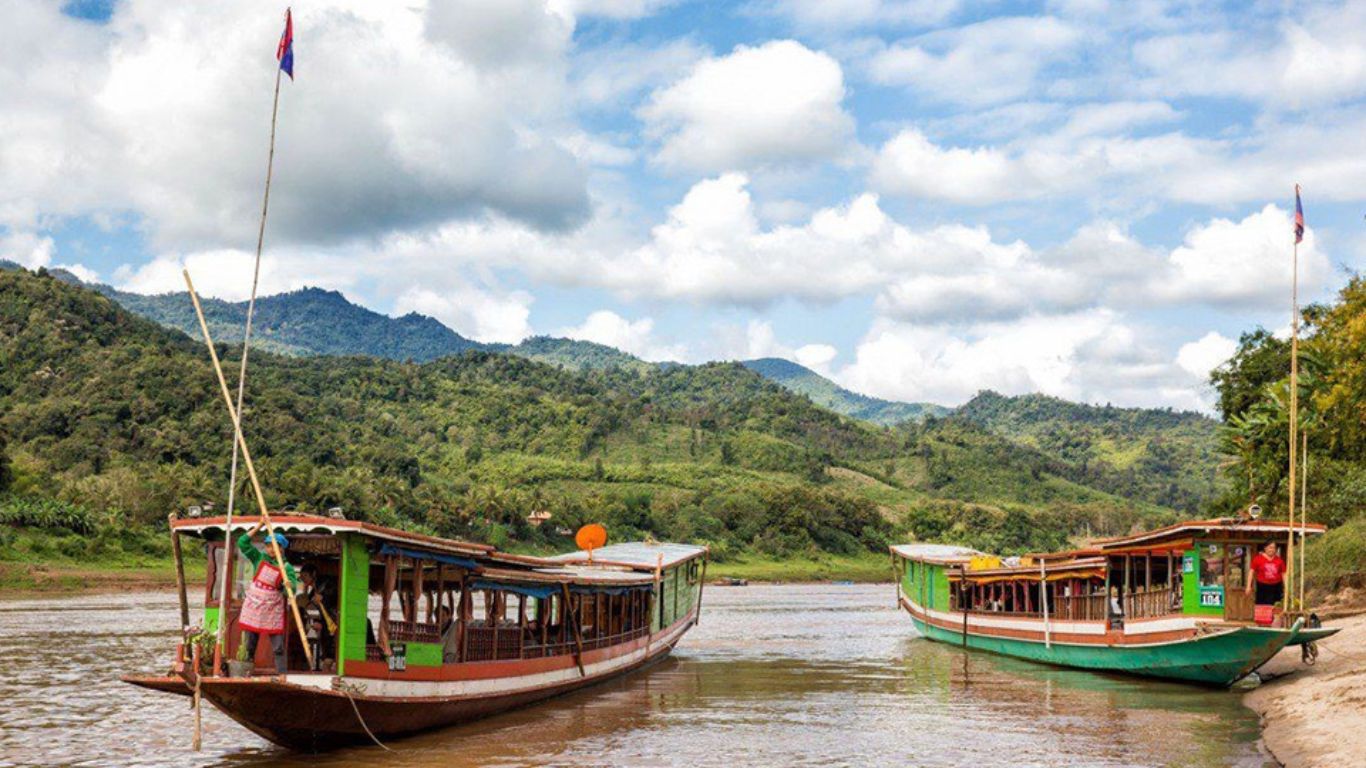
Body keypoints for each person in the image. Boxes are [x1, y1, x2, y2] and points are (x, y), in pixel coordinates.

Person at [237, 520, 299, 674]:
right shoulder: (259, 558)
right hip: (255, 606)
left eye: (275, 546)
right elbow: (242, 542)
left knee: (278, 647)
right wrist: (259, 525)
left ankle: (281, 675)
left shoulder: (286, 567)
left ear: (281, 548)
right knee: (250, 644)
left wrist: (287, 586)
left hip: (273, 608)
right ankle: (246, 672)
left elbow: (291, 591)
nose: (271, 549)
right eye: (269, 545)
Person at [1246, 541, 1287, 607]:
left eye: (1274, 548)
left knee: (1277, 605)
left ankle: (1274, 617)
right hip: (1262, 586)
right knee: (1262, 606)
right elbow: (1251, 572)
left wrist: (1286, 587)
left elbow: (1284, 574)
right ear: (1265, 548)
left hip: (1276, 586)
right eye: (1270, 547)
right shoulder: (1258, 559)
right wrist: (1248, 586)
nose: (1272, 550)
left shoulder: (1279, 561)